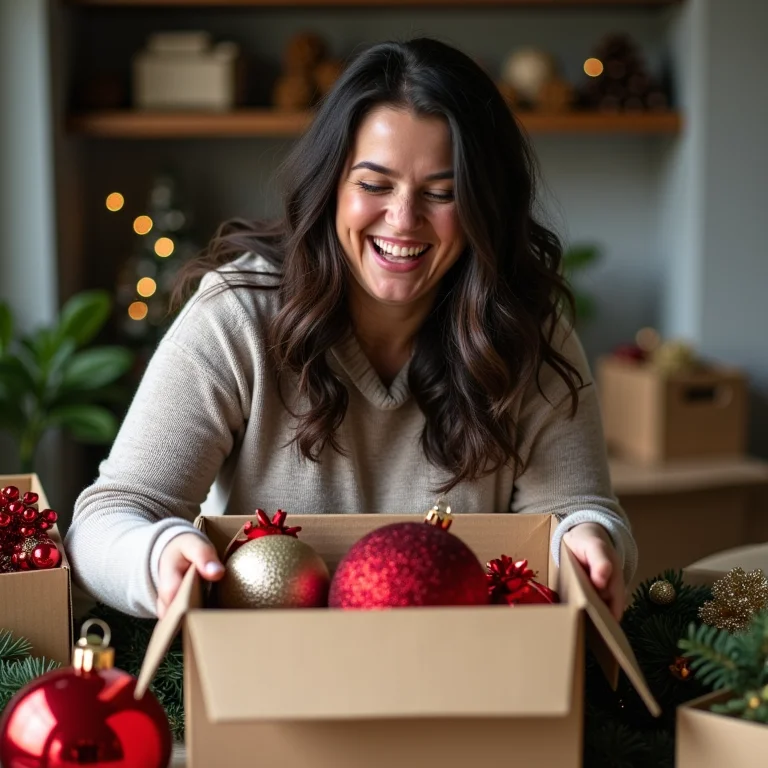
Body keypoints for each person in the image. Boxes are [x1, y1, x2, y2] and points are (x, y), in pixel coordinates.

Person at [65, 37, 636, 622]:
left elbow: (578, 509)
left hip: (460, 671)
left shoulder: (525, 329)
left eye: (442, 193)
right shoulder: (238, 315)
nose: (404, 219)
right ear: (331, 184)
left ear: (483, 207)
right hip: (265, 673)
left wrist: (589, 541)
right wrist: (159, 553)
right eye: (374, 184)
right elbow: (108, 518)